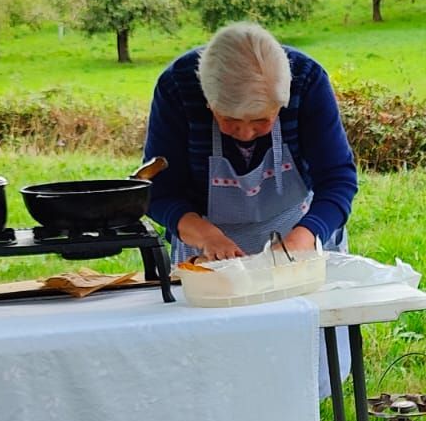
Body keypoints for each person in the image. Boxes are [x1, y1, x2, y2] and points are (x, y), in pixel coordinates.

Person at [144, 22, 358, 263]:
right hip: (205, 247)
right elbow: (158, 190)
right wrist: (205, 236)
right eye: (229, 120)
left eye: (261, 120)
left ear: (281, 104)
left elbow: (337, 179)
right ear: (208, 103)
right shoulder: (176, 88)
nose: (245, 133)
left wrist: (304, 237)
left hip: (299, 233)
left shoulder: (307, 81)